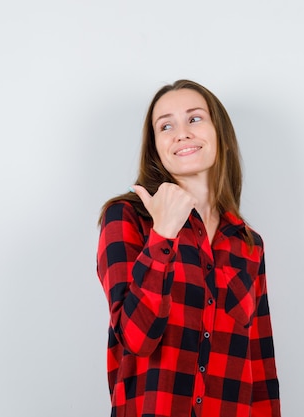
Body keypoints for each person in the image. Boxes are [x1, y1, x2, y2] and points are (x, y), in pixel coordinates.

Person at [96, 79, 281, 417]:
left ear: (220, 136)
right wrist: (164, 234)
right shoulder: (126, 217)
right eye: (166, 125)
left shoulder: (248, 244)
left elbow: (260, 365)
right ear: (156, 147)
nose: (181, 133)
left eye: (194, 119)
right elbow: (136, 339)